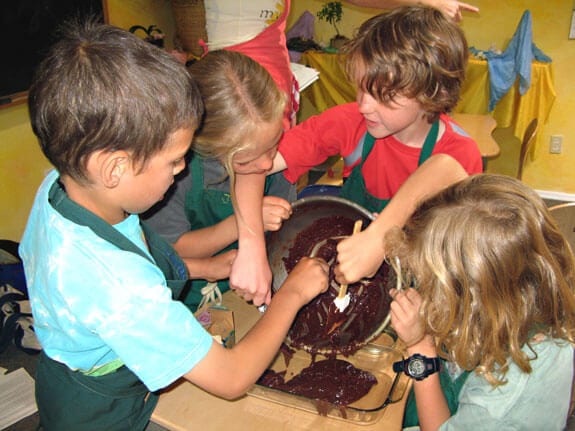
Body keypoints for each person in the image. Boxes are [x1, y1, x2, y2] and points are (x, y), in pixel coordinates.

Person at [19, 20, 328, 430]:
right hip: (100, 415)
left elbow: (124, 255)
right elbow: (232, 377)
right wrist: (292, 293)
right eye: (175, 160)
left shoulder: (62, 188)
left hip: (69, 374)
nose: (182, 169)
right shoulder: (120, 289)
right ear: (115, 168)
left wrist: (201, 268)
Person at [206, 0, 480, 307]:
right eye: (361, 89)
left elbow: (446, 169)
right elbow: (253, 162)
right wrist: (252, 246)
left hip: (423, 289)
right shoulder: (350, 123)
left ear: (433, 94)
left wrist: (380, 237)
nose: (364, 106)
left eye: (384, 96)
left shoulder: (457, 150)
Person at [386, 173, 575, 430]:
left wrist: (420, 348)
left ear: (471, 296)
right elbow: (443, 166)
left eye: (432, 283)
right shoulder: (517, 293)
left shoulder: (508, 389)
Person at [144, 49, 295, 310]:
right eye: (246, 161)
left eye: (273, 145)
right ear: (205, 144)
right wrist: (240, 224)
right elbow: (170, 251)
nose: (268, 164)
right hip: (193, 297)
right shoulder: (177, 174)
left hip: (255, 284)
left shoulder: (265, 154)